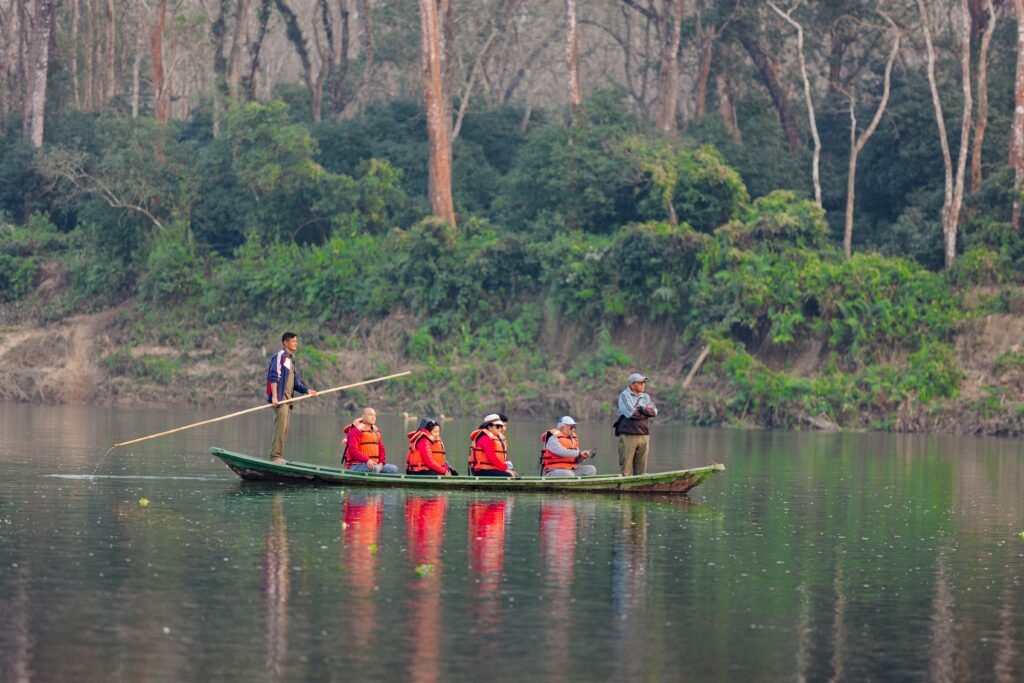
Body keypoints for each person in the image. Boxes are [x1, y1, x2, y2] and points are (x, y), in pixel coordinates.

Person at [266, 331, 318, 463]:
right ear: (286, 343)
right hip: (281, 400)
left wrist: (307, 391)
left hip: (288, 401)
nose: (296, 344)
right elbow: (274, 376)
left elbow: (295, 383)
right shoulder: (280, 356)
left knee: (284, 430)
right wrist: (275, 397)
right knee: (280, 429)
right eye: (293, 341)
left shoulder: (290, 360)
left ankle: (278, 456)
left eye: (296, 341)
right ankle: (275, 457)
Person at [615, 373, 657, 475]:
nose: (643, 385)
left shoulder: (646, 397)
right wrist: (646, 412)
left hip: (644, 435)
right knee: (626, 469)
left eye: (644, 383)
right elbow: (631, 414)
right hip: (628, 435)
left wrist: (642, 409)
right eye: (640, 383)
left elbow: (654, 412)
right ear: (632, 385)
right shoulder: (624, 396)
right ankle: (624, 484)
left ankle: (639, 483)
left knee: (641, 470)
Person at [342, 407, 398, 473]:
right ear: (363, 416)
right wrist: (367, 460)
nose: (373, 417)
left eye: (374, 415)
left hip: (374, 464)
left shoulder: (375, 431)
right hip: (356, 465)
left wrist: (381, 462)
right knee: (375, 468)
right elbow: (353, 451)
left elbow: (381, 448)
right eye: (370, 415)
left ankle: (376, 474)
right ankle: (375, 473)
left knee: (393, 469)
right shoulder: (355, 430)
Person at [468, 413, 517, 477]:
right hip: (481, 470)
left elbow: (503, 457)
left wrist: (508, 468)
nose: (500, 428)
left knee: (514, 474)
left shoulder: (496, 437)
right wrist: (505, 469)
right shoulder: (485, 438)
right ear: (489, 427)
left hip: (491, 468)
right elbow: (492, 457)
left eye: (501, 426)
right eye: (498, 426)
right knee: (509, 475)